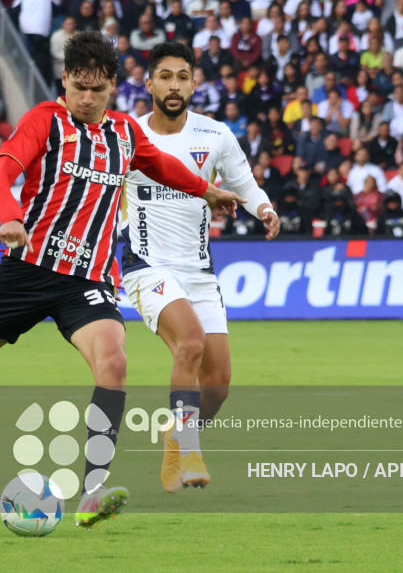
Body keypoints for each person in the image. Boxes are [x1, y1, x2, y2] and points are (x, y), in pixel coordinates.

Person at [0, 31, 244, 528]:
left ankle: (93, 490)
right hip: (27, 269)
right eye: (78, 87)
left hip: (88, 278)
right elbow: (0, 175)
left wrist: (207, 191)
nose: (86, 98)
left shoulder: (125, 133)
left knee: (115, 362)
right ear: (65, 80)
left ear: (113, 88)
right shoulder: (44, 120)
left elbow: (163, 166)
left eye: (97, 90)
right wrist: (11, 216)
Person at [121, 42, 279, 494]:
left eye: (182, 77)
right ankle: (190, 447)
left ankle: (176, 436)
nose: (174, 85)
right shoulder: (126, 135)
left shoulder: (215, 135)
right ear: (148, 83)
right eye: (165, 76)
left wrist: (264, 208)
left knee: (219, 384)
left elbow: (243, 183)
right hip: (146, 266)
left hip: (198, 271)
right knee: (188, 343)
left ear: (194, 83)